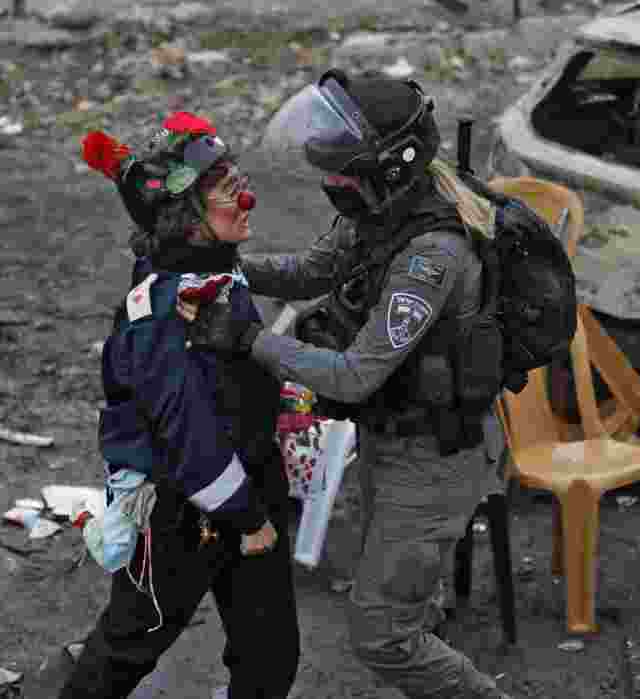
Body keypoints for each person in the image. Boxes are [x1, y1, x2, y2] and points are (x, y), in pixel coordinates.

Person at [179, 70, 513, 699]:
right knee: (396, 600)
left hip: (435, 460)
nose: (332, 186)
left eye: (341, 175)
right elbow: (313, 270)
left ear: (387, 172)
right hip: (393, 444)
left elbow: (355, 375)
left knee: (382, 638)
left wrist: (249, 338)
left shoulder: (428, 257)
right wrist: (223, 266)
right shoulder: (384, 215)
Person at [58, 111, 300, 699]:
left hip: (247, 480)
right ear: (187, 221)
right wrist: (249, 519)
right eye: (225, 191)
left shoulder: (213, 270)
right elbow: (187, 433)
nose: (246, 198)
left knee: (271, 653)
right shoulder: (163, 311)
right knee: (130, 642)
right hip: (183, 507)